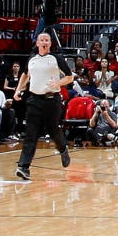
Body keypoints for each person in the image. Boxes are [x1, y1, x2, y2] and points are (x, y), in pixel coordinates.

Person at [13, 32, 75, 181]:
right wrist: (18, 90)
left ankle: (63, 149)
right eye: (42, 40)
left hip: (51, 100)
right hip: (34, 100)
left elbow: (70, 76)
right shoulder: (32, 60)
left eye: (47, 40)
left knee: (53, 131)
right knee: (31, 134)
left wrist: (58, 83)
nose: (44, 42)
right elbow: (25, 75)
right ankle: (24, 167)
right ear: (37, 43)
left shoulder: (56, 59)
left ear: (50, 43)